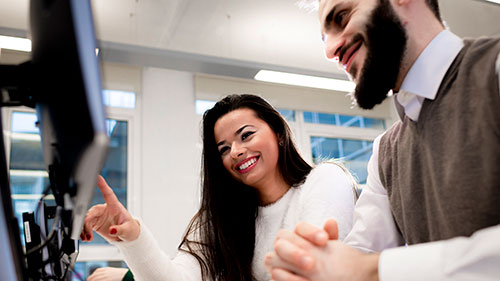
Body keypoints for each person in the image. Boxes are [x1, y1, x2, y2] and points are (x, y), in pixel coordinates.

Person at [264, 0, 500, 280]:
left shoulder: (493, 69)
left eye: (341, 16)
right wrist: (316, 266)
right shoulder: (386, 151)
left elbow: (365, 267)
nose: (330, 51)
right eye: (325, 38)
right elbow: (361, 253)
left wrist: (371, 270)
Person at [81, 94, 358, 281]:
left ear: (279, 133)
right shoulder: (221, 217)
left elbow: (310, 274)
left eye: (246, 135)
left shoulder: (325, 180)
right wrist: (131, 236)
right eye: (223, 149)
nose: (236, 151)